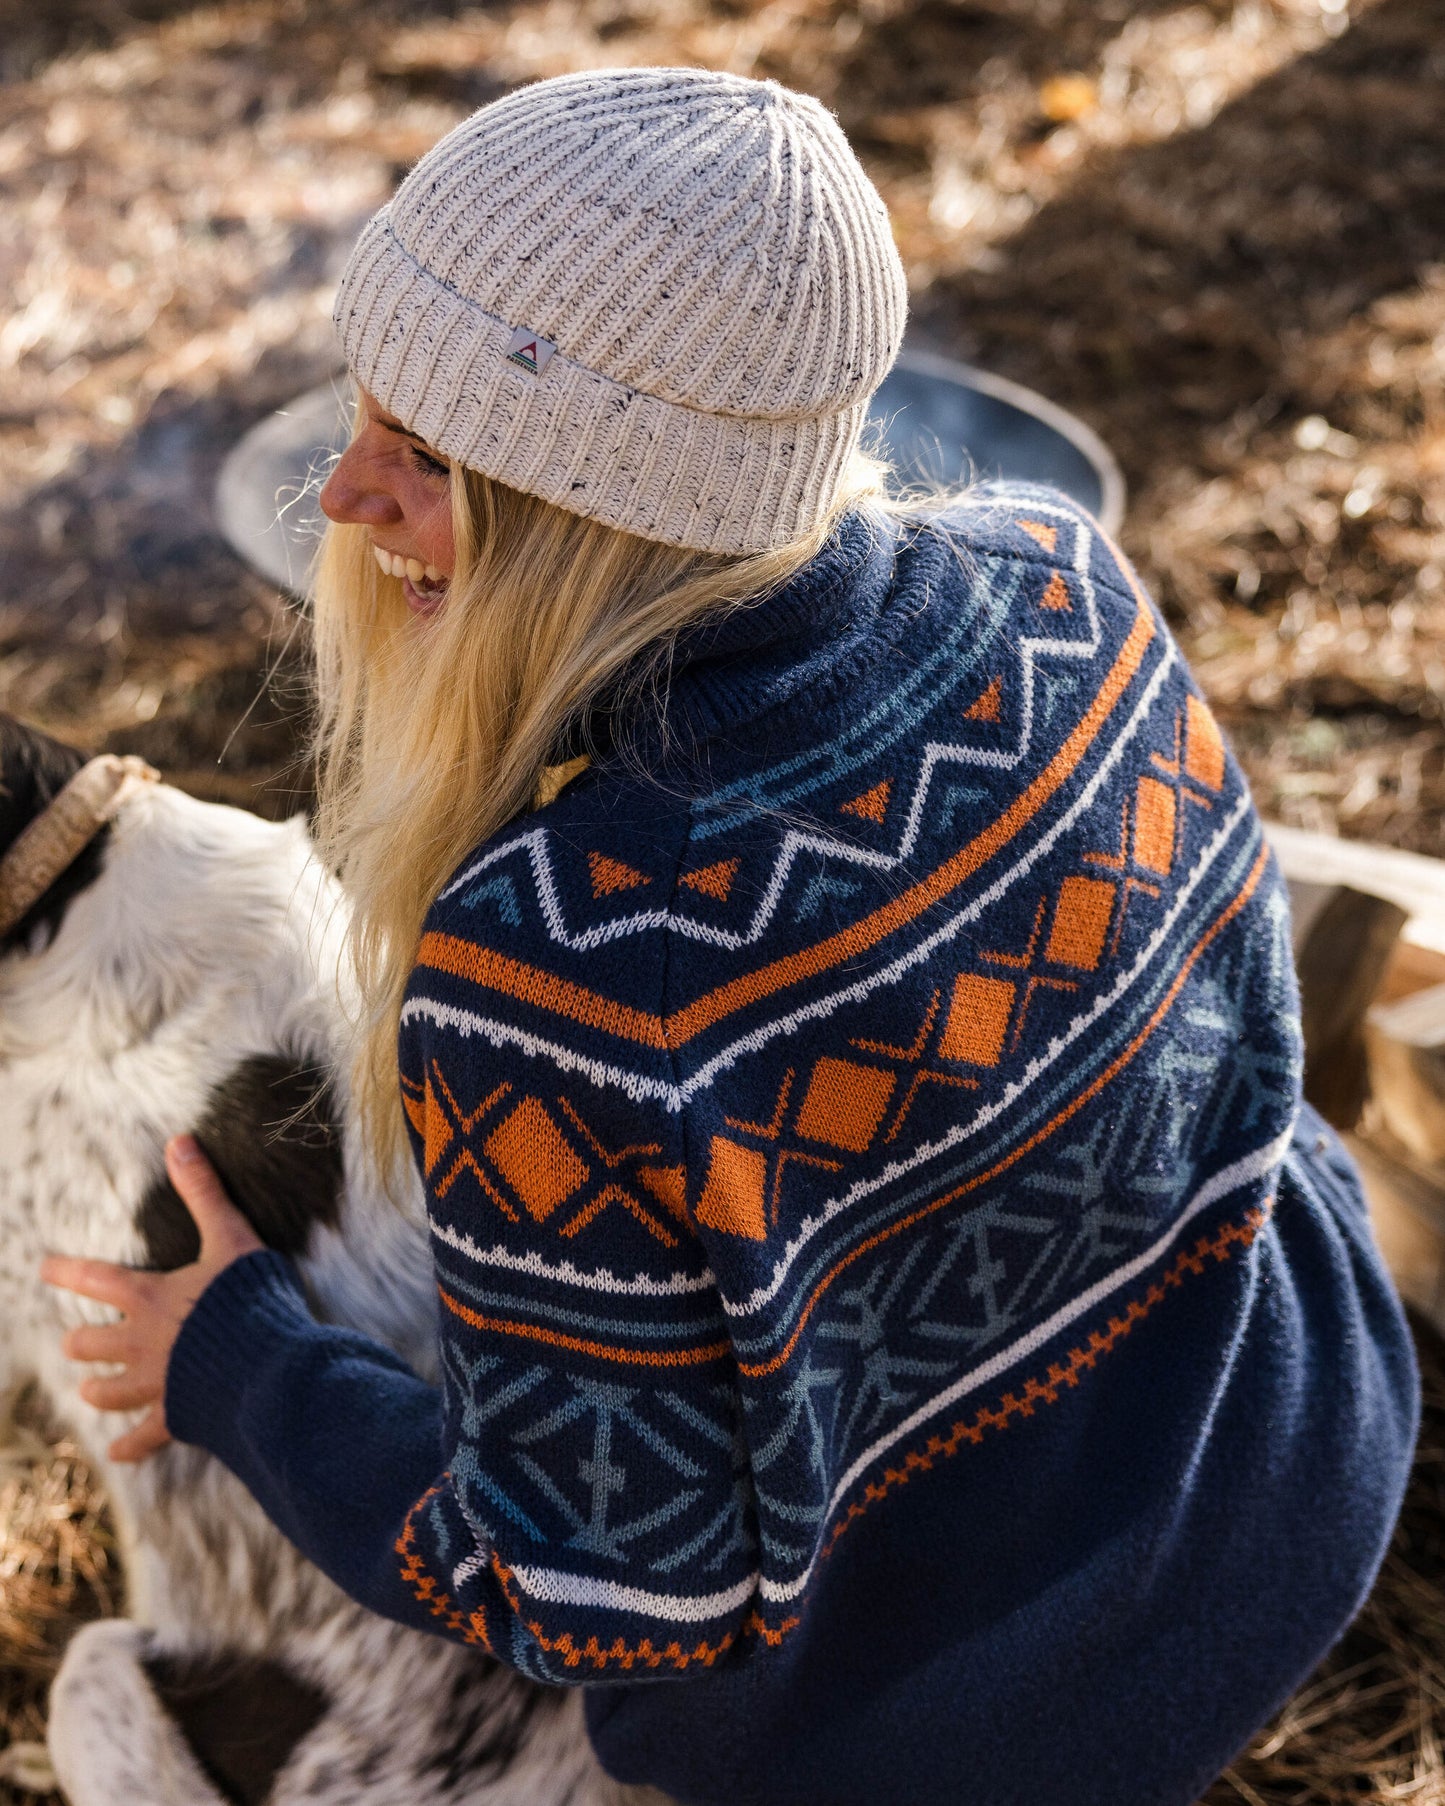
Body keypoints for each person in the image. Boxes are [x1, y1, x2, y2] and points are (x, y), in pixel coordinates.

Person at [43, 66, 1418, 1806]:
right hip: (1294, 1461)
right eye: (362, 417)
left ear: (600, 509)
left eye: (425, 458)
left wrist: (241, 1360)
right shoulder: (1057, 571)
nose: (344, 498)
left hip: (991, 1722)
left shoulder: (562, 959)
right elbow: (1252, 1077)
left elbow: (590, 1590)